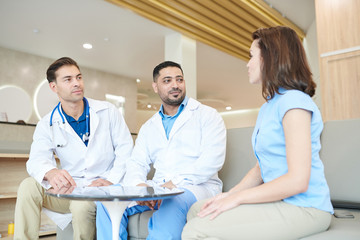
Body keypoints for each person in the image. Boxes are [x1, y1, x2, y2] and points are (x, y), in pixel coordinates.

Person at [182, 26, 334, 240]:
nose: (247, 63)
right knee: (198, 210)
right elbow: (260, 169)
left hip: (306, 208)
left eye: (252, 56)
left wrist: (239, 199)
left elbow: (298, 181)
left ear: (270, 58)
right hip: (279, 202)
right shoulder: (269, 106)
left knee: (196, 230)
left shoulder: (294, 102)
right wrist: (228, 195)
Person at [96, 61, 227, 240]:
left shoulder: (208, 115)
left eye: (179, 79)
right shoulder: (149, 126)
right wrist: (140, 187)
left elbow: (212, 161)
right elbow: (136, 162)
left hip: (196, 187)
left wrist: (174, 184)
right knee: (108, 198)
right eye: (167, 80)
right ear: (155, 87)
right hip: (159, 187)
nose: (175, 85)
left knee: (172, 201)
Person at [14, 57, 133, 240]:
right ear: (54, 87)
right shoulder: (47, 123)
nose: (77, 83)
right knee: (28, 187)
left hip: (102, 187)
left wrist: (111, 180)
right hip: (71, 189)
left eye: (78, 77)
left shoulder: (108, 112)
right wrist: (51, 172)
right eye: (68, 79)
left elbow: (126, 150)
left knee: (81, 206)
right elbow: (36, 160)